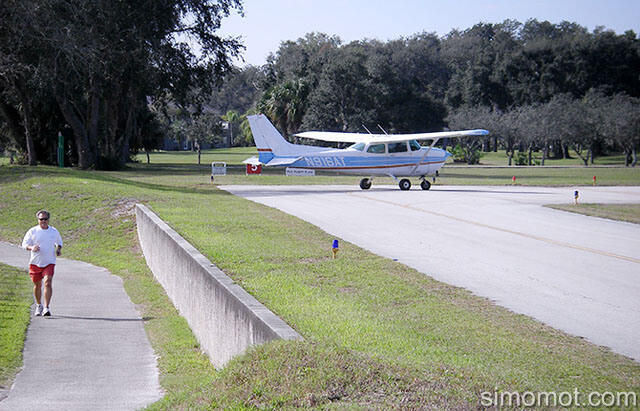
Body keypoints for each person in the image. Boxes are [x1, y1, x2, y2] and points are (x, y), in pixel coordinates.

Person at [22, 210, 63, 316]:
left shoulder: (53, 231)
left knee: (48, 282)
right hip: (35, 262)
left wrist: (58, 249)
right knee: (37, 285)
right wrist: (32, 247)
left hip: (49, 261)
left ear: (48, 220)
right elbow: (24, 244)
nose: (43, 221)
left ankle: (46, 307)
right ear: (38, 220)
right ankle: (39, 305)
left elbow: (59, 242)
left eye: (45, 219)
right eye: (41, 219)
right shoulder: (32, 231)